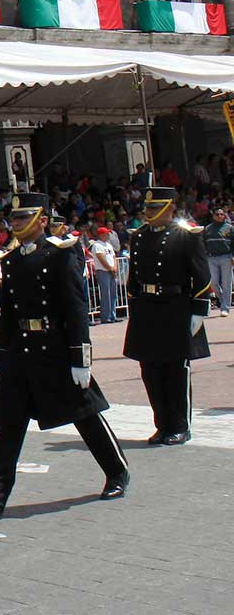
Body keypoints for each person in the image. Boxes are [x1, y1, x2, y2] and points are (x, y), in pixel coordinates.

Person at [0, 193, 128, 528]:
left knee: (85, 414)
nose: (15, 223)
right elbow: (10, 311)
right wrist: (3, 351)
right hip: (21, 351)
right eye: (14, 218)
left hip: (55, 348)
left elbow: (76, 307)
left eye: (23, 218)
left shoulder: (61, 254)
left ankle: (117, 470)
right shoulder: (10, 258)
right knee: (8, 425)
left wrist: (81, 356)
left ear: (42, 220)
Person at [123, 187, 211, 446]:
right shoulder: (139, 236)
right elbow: (134, 279)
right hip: (147, 308)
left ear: (170, 207)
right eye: (147, 208)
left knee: (175, 369)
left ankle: (180, 425)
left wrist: (199, 310)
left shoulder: (186, 236)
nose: (149, 213)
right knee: (150, 369)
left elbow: (201, 275)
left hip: (176, 305)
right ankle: (161, 424)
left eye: (154, 208)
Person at [203, 206, 233, 316]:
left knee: (226, 283)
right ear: (213, 216)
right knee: (214, 282)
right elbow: (203, 243)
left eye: (222, 214)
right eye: (217, 214)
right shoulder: (208, 229)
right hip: (212, 258)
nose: (220, 216)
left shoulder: (229, 228)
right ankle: (222, 300)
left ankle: (225, 307)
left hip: (226, 256)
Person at [90, 227, 119, 324]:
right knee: (106, 294)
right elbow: (101, 257)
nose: (108, 235)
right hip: (103, 271)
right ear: (101, 235)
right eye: (106, 234)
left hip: (111, 271)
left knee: (113, 293)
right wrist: (110, 268)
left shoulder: (108, 245)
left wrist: (115, 267)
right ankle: (106, 317)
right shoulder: (97, 245)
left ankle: (113, 315)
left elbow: (114, 257)